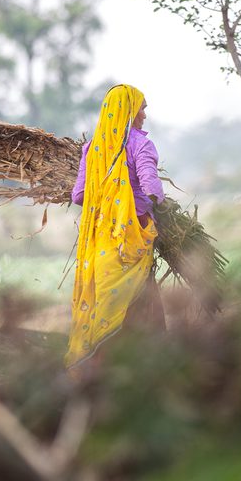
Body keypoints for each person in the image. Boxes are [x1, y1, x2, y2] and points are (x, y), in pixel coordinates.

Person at [65, 83, 166, 370]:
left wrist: (108, 198)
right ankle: (139, 367)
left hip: (100, 240)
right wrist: (160, 203)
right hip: (132, 236)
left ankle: (96, 367)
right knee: (135, 301)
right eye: (142, 107)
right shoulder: (142, 145)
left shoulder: (92, 148)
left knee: (104, 302)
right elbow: (151, 189)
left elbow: (78, 195)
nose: (145, 114)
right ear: (128, 110)